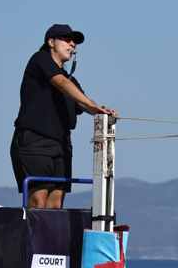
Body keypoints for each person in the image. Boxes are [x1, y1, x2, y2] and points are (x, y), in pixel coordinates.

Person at [11, 24, 117, 209]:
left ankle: (50, 238)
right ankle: (32, 237)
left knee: (56, 201)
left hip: (61, 145)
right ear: (51, 42)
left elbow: (83, 102)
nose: (72, 44)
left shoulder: (70, 81)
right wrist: (92, 105)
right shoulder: (40, 60)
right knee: (39, 198)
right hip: (35, 140)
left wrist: (102, 111)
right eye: (66, 39)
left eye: (74, 42)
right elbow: (59, 82)